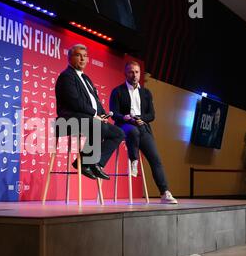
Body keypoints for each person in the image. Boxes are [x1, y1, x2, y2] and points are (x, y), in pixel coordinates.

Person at [109, 61, 178, 204]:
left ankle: (165, 193)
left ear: (140, 74)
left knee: (156, 159)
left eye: (137, 72)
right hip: (125, 125)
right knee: (133, 131)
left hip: (142, 127)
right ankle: (133, 161)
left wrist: (141, 119)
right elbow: (113, 113)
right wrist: (125, 117)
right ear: (125, 73)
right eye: (131, 72)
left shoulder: (146, 93)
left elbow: (151, 115)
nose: (134, 75)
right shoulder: (118, 91)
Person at [55, 44, 125, 180]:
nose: (82, 59)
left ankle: (94, 163)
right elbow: (75, 102)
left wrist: (103, 114)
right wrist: (95, 115)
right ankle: (86, 162)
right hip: (67, 120)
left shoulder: (86, 78)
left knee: (119, 133)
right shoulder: (66, 76)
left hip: (88, 119)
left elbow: (95, 100)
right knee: (96, 126)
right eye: (78, 55)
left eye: (85, 56)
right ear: (69, 58)